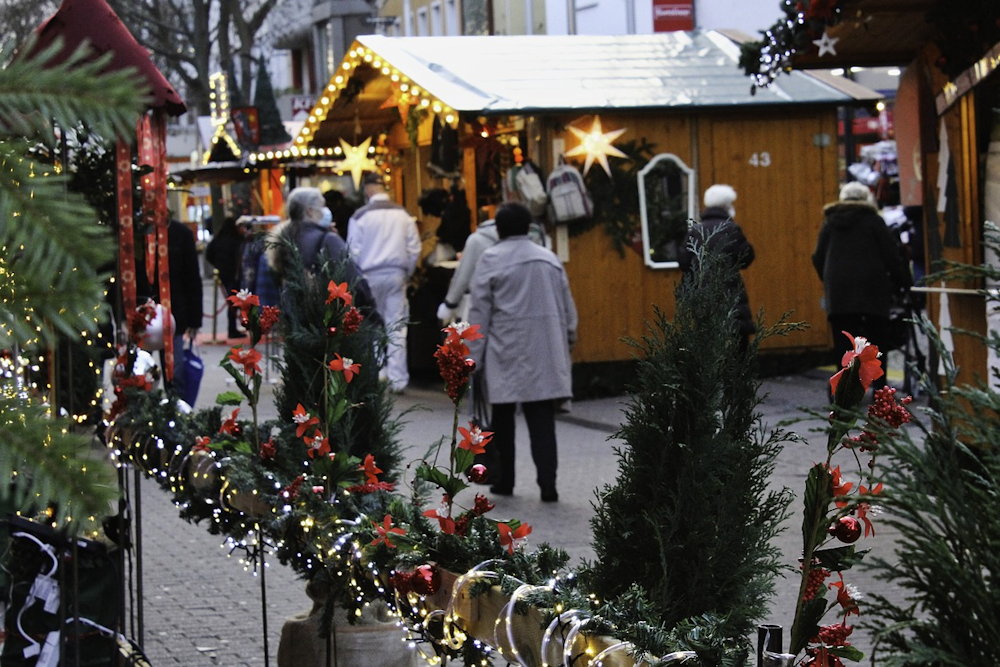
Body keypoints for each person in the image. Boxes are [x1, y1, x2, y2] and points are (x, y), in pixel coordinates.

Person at [467, 202, 577, 502]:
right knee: (542, 420)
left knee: (502, 419)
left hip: (506, 349)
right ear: (529, 227)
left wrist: (472, 356)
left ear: (498, 230)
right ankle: (548, 485)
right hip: (544, 350)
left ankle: (504, 480)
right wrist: (568, 340)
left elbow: (479, 313)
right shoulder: (549, 260)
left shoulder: (490, 260)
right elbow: (567, 307)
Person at [812, 181, 911, 389]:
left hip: (839, 295)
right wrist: (902, 282)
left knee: (844, 346)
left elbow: (818, 256)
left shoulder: (830, 223)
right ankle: (879, 391)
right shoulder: (874, 221)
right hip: (873, 293)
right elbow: (891, 256)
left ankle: (842, 393)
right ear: (867, 199)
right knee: (875, 345)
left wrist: (830, 281)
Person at [346, 173, 420, 393]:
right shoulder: (403, 214)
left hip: (369, 276)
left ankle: (378, 373)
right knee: (397, 326)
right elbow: (414, 248)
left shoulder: (360, 216)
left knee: (371, 325)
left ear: (368, 189)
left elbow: (352, 251)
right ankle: (398, 379)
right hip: (397, 273)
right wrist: (408, 271)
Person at [266, 187, 376, 316]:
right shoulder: (326, 239)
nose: (326, 210)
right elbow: (352, 279)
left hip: (294, 318)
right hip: (326, 318)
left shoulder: (282, 238)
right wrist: (371, 310)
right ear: (310, 211)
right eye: (322, 205)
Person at [678, 184, 756, 345]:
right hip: (730, 294)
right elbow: (747, 257)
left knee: (707, 344)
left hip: (701, 296)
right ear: (727, 206)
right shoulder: (731, 229)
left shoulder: (695, 231)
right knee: (737, 346)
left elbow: (684, 262)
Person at [205, 216, 247, 339]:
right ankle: (233, 329)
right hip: (234, 274)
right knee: (235, 302)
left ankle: (232, 328)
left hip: (224, 273)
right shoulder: (236, 240)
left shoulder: (218, 239)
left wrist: (217, 265)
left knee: (231, 302)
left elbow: (209, 254)